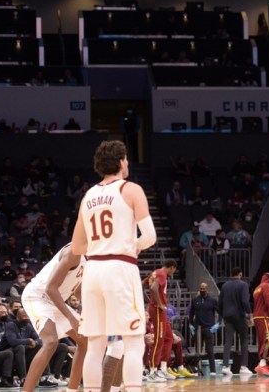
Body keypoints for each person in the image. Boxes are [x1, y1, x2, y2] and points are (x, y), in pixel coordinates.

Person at [70, 140, 156, 392]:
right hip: (119, 268)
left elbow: (76, 247)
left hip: (93, 271)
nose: (128, 163)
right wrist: (133, 245)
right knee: (133, 341)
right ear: (120, 162)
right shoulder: (131, 189)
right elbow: (149, 236)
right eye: (126, 159)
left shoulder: (88, 195)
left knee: (95, 345)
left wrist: (101, 247)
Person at [22, 244, 87, 391]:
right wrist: (71, 318)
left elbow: (78, 292)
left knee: (84, 340)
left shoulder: (93, 260)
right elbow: (50, 288)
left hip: (55, 300)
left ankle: (72, 389)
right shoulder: (74, 252)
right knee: (51, 341)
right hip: (37, 296)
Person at [146, 259, 177, 382]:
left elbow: (144, 282)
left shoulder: (155, 272)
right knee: (159, 340)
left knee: (169, 338)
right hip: (158, 310)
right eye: (174, 270)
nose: (173, 272)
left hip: (160, 311)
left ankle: (163, 369)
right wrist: (158, 303)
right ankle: (152, 371)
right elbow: (154, 288)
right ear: (172, 268)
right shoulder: (163, 274)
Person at [218, 267, 253, 376]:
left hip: (227, 315)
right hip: (239, 315)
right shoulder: (243, 285)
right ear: (240, 274)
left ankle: (225, 366)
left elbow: (220, 303)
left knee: (228, 341)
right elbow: (244, 301)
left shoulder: (224, 285)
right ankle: (243, 367)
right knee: (243, 339)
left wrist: (222, 315)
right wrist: (250, 314)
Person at [188, 283, 219, 376]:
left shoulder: (212, 301)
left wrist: (218, 323)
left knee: (210, 350)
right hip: (198, 329)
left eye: (204, 288)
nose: (202, 290)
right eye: (201, 288)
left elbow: (220, 312)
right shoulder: (195, 300)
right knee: (198, 350)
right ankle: (198, 370)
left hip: (209, 328)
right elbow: (191, 313)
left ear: (207, 289)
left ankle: (213, 370)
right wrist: (191, 324)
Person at [252, 272, 269, 376]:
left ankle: (263, 364)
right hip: (264, 316)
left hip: (257, 316)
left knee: (261, 340)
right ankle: (263, 364)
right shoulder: (266, 286)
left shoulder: (257, 288)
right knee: (268, 339)